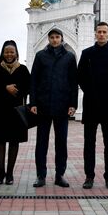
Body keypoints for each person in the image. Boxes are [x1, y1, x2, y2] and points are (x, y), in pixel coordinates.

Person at [78, 21, 108, 189]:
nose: (101, 34)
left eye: (104, 32)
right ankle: (89, 176)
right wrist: (90, 91)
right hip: (90, 104)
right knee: (89, 143)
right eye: (98, 31)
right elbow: (81, 77)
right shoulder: (86, 54)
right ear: (95, 33)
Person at [30, 27, 78, 188]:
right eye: (52, 37)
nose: (55, 40)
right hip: (43, 105)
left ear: (61, 39)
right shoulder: (40, 56)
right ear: (48, 39)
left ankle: (60, 175)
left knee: (61, 142)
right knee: (41, 142)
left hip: (62, 106)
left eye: (57, 37)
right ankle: (41, 175)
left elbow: (73, 82)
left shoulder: (69, 57)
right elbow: (34, 81)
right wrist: (33, 103)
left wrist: (73, 104)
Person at [0, 40, 31, 185]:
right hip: (0, 111)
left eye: (12, 52)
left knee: (14, 142)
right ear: (3, 53)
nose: (9, 54)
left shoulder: (23, 69)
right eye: (6, 52)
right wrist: (5, 87)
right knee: (0, 142)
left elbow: (28, 87)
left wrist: (16, 89)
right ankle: (0, 174)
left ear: (16, 53)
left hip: (16, 112)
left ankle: (10, 174)